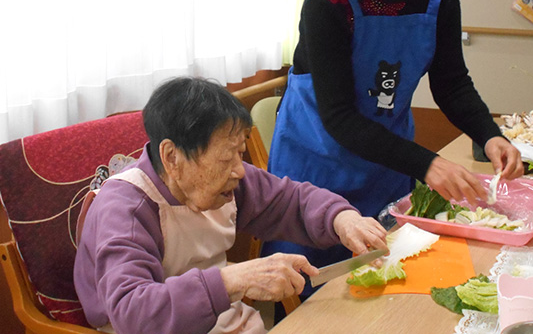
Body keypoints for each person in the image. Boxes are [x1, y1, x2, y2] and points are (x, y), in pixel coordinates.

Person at [265, 0, 523, 292]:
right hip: (313, 170)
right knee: (310, 291)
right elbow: (339, 117)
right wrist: (428, 164)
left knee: (384, 285)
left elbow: (452, 83)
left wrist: (489, 134)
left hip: (386, 168)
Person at [73, 77, 388, 334]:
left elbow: (292, 201)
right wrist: (234, 280)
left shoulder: (227, 180)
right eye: (227, 156)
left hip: (219, 320)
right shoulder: (124, 209)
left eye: (241, 152)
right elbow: (134, 313)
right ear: (172, 157)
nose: (240, 169)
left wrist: (342, 219)